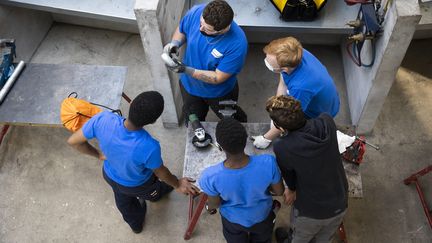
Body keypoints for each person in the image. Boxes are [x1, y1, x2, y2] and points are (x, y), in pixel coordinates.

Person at [67, 91, 199, 234]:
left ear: (132, 104)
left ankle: (136, 225)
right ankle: (156, 195)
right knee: (155, 191)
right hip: (138, 185)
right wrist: (177, 184)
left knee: (123, 201)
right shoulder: (149, 146)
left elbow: (73, 141)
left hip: (110, 175)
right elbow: (161, 172)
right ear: (153, 121)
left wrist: (98, 154)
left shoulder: (103, 118)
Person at [265, 95, 348, 243]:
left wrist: (291, 189)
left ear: (281, 128)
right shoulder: (326, 121)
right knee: (325, 237)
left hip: (311, 212)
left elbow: (288, 175)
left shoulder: (283, 146)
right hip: (340, 201)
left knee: (301, 237)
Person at [199, 118, 285, 243]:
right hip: (262, 216)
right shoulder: (268, 163)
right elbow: (279, 191)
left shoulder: (210, 176)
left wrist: (208, 207)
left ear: (219, 146)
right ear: (245, 140)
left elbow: (215, 204)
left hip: (233, 220)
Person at [163, 0, 248, 123]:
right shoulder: (198, 12)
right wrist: (175, 44)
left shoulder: (237, 44)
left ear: (223, 30)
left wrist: (185, 69)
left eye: (207, 29)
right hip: (189, 87)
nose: (200, 28)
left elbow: (218, 77)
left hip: (220, 93)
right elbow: (182, 29)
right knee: (194, 120)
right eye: (200, 23)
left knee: (232, 121)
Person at [253, 37, 340, 149]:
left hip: (319, 112)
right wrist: (278, 105)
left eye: (270, 62)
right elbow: (283, 80)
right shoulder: (294, 52)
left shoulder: (301, 88)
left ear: (284, 68)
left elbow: (288, 116)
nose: (265, 60)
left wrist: (267, 138)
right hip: (324, 96)